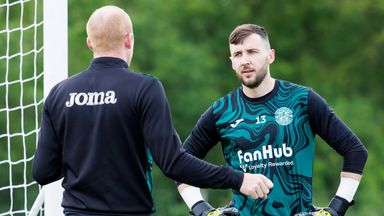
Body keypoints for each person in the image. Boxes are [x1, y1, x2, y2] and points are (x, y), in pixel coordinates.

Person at [32, 7, 273, 216]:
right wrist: (239, 178)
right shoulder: (144, 88)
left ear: (90, 42)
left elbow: (43, 172)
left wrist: (84, 150)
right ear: (129, 39)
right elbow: (173, 163)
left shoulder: (60, 93)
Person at [177, 24, 368, 216]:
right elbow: (180, 164)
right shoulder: (221, 111)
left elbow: (355, 151)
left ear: (271, 56)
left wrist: (336, 208)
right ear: (232, 62)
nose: (245, 60)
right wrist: (203, 210)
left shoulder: (302, 100)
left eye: (252, 52)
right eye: (238, 54)